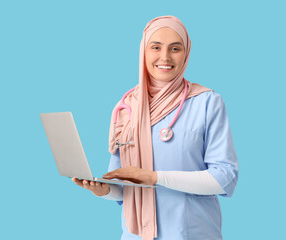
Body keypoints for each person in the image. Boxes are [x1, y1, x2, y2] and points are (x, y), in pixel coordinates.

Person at [73, 15, 238, 240]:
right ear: (144, 51)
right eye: (156, 47)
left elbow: (223, 177)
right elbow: (123, 186)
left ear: (186, 52)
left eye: (175, 48)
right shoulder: (127, 107)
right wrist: (103, 191)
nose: (165, 57)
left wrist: (154, 177)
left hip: (193, 233)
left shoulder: (207, 102)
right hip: (136, 236)